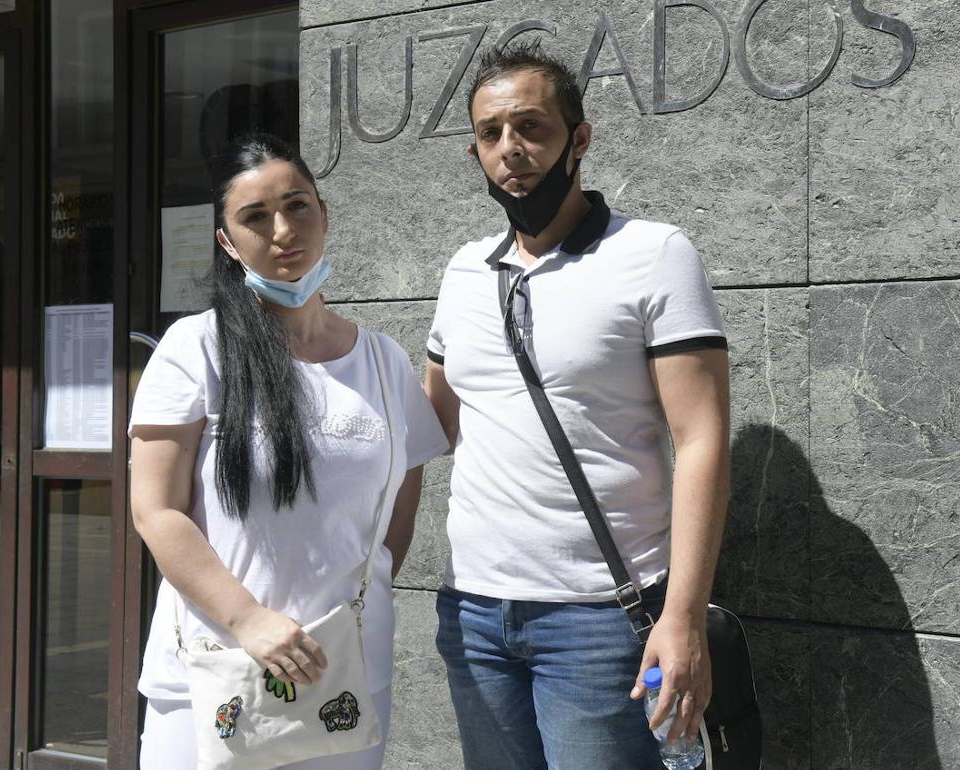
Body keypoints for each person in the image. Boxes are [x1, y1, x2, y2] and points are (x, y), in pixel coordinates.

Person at [424, 42, 731, 769]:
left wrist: (682, 617)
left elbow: (702, 440)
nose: (511, 149)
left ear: (579, 139)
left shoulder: (655, 254)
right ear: (475, 153)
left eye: (531, 127)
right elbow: (424, 427)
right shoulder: (466, 271)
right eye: (491, 134)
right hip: (473, 613)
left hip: (601, 620)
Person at [129, 132, 447, 770]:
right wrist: (248, 618)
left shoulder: (384, 362)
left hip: (343, 675)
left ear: (324, 214)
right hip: (217, 670)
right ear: (227, 240)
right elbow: (156, 512)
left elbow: (391, 529)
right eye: (254, 217)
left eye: (297, 205)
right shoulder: (197, 348)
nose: (282, 230)